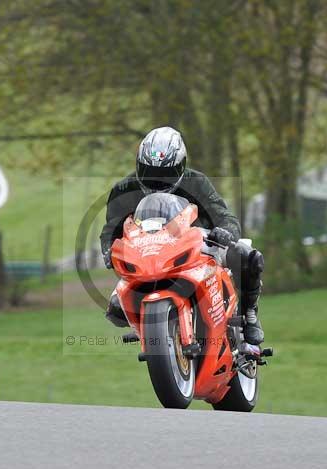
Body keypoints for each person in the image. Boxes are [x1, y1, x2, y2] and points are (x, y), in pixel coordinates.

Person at [100, 126, 265, 345]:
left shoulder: (196, 182)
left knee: (246, 255)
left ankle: (249, 314)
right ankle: (149, 327)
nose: (157, 180)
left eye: (165, 173)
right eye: (150, 172)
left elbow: (224, 215)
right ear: (139, 165)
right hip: (148, 256)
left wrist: (226, 233)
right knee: (116, 310)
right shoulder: (124, 190)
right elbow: (111, 229)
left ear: (181, 165)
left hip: (199, 248)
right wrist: (108, 250)